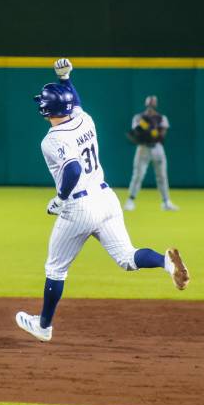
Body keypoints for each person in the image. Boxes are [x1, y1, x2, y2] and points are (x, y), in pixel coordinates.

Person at [15, 59, 190, 342]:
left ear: (46, 109)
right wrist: (65, 78)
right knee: (127, 257)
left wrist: (60, 199)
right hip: (106, 198)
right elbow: (75, 100)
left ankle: (44, 326)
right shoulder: (85, 119)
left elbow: (72, 168)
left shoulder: (51, 139)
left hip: (79, 207)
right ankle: (165, 264)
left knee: (55, 269)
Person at [123, 95, 178, 211]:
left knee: (162, 176)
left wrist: (151, 130)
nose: (151, 106)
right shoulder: (138, 117)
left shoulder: (162, 118)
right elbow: (135, 133)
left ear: (156, 105)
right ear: (146, 104)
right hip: (143, 148)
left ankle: (166, 202)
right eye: (149, 104)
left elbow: (161, 136)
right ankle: (130, 201)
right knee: (138, 175)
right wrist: (145, 128)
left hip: (157, 148)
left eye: (153, 104)